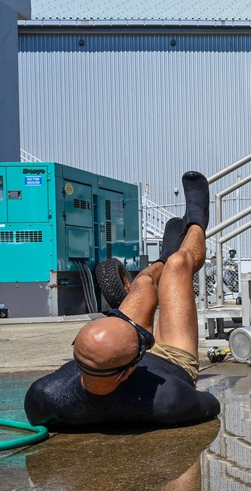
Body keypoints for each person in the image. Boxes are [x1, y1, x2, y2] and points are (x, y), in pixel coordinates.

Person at [24, 171, 221, 429]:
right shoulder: (167, 399)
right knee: (179, 265)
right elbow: (211, 404)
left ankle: (161, 258)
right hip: (173, 361)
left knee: (142, 282)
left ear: (77, 357)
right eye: (142, 339)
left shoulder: (42, 398)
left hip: (115, 355)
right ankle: (196, 221)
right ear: (130, 370)